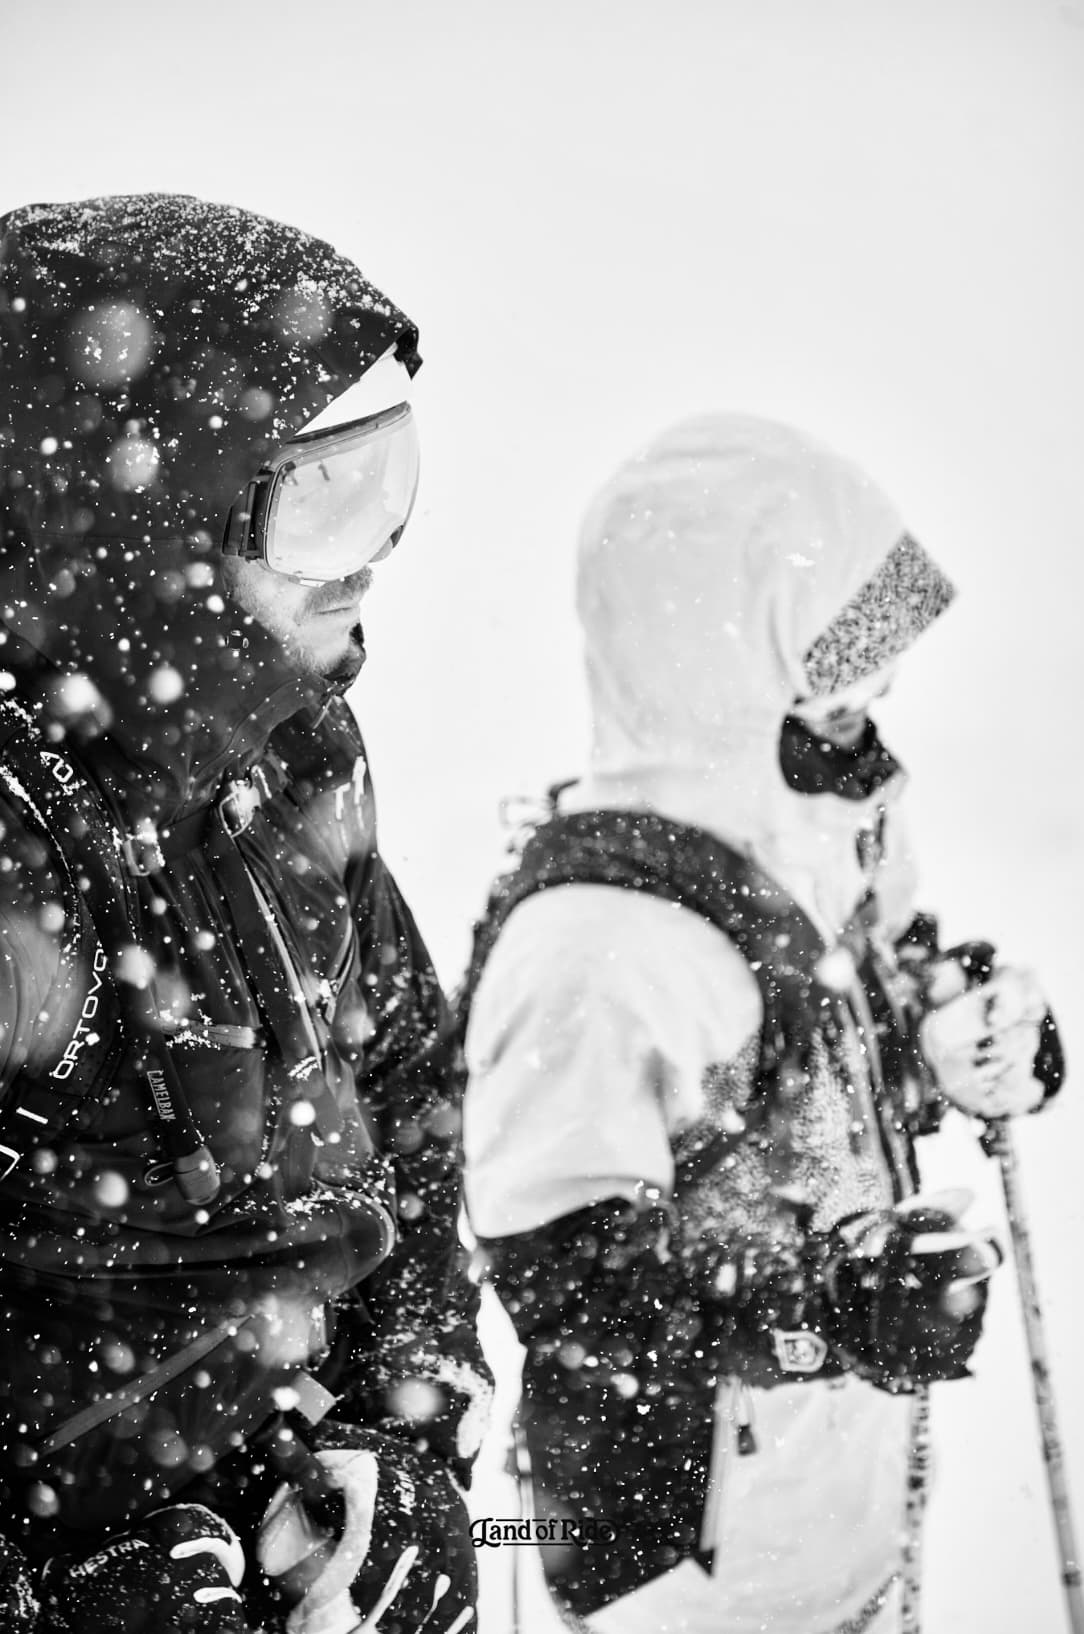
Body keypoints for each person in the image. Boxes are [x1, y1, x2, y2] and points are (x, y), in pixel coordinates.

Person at [460, 414, 1063, 1634]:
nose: (869, 736)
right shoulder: (598, 953)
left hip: (832, 1507)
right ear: (725, 689)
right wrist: (827, 1301)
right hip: (683, 1575)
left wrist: (943, 1035)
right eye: (837, 700)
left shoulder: (811, 837)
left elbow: (840, 1031)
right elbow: (569, 1285)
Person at [0, 193, 491, 1633]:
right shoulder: (23, 855)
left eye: (385, 486)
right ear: (148, 528)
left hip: (285, 1521)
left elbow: (407, 1084)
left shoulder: (291, 755)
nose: (370, 556)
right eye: (320, 504)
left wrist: (407, 1410)